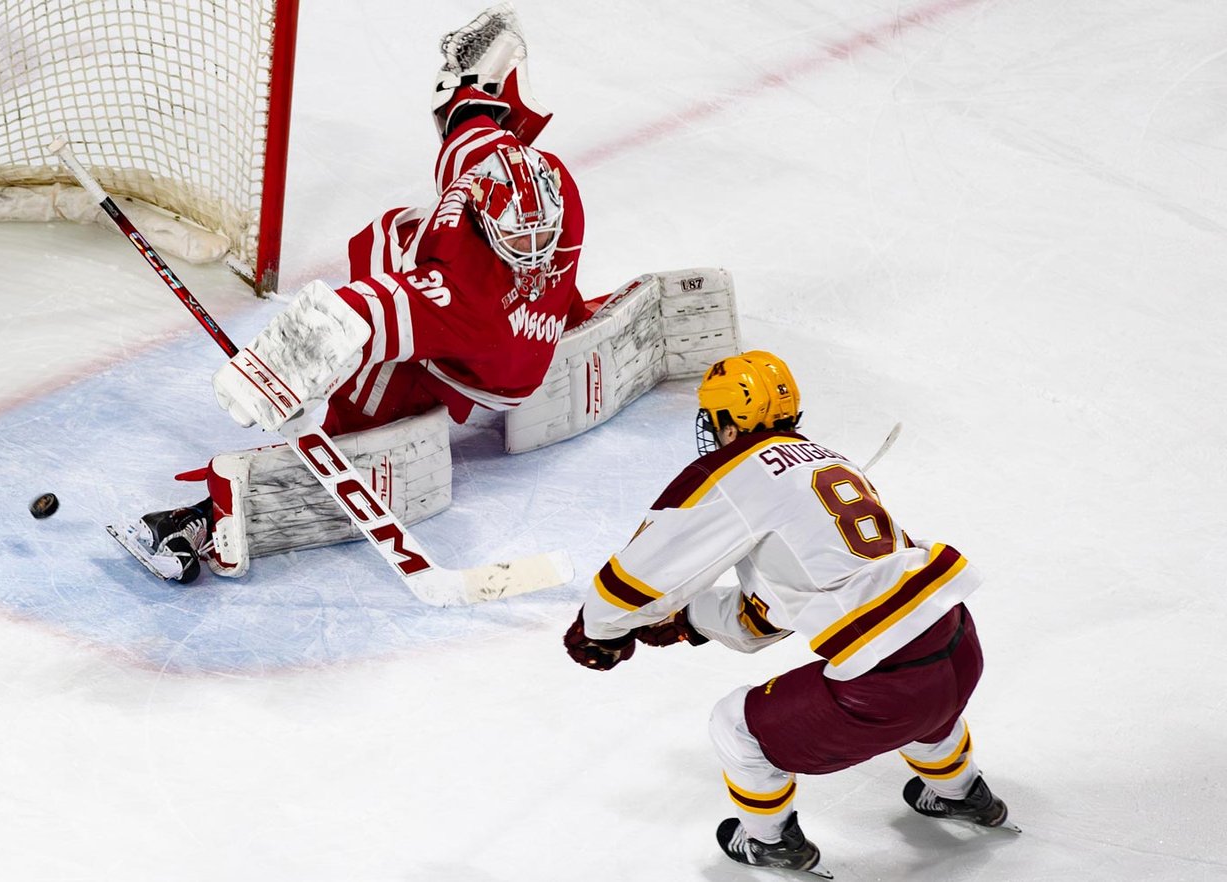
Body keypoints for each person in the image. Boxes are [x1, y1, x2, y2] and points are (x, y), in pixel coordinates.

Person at [123, 5, 594, 583]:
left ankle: (348, 430)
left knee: (378, 262)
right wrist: (474, 88)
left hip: (478, 369)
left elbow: (358, 314)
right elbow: (469, 119)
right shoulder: (550, 187)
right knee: (418, 205)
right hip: (518, 330)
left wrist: (267, 376)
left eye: (537, 237)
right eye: (518, 236)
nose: (534, 246)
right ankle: (563, 314)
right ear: (479, 206)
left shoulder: (457, 287)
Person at [563, 350, 1012, 875]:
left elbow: (639, 577)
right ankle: (962, 792)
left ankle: (771, 842)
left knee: (735, 725)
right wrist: (689, 622)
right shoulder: (826, 458)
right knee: (926, 704)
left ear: (730, 422)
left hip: (890, 684)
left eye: (714, 419)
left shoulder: (732, 472)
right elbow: (769, 616)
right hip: (957, 642)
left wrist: (599, 629)